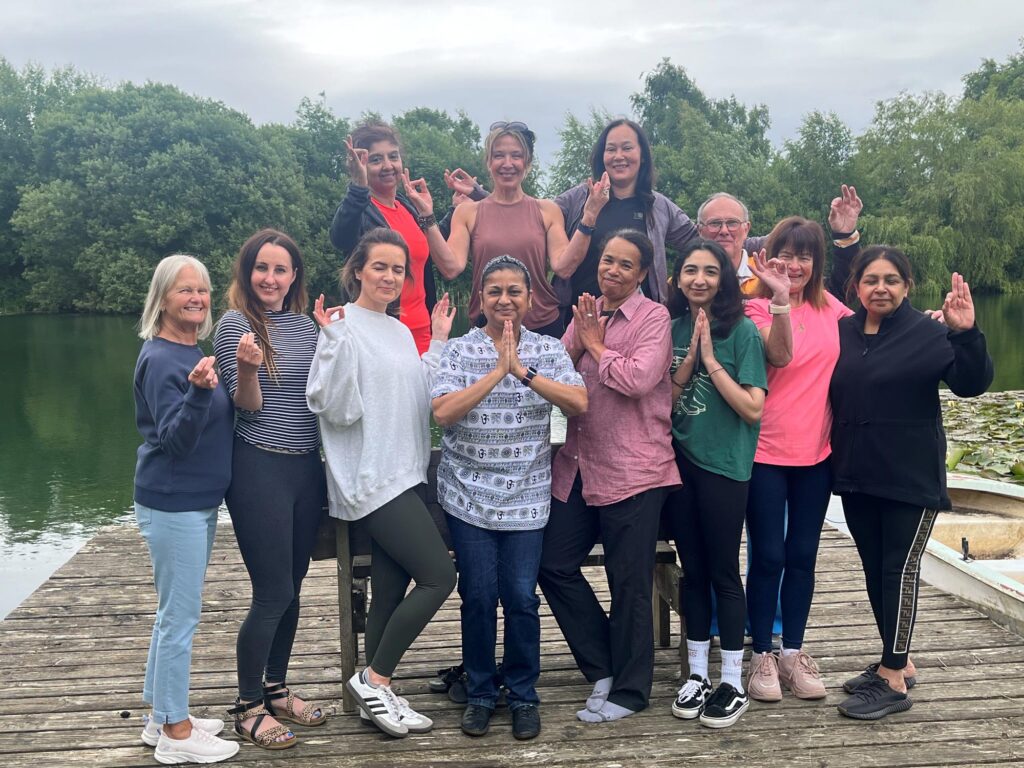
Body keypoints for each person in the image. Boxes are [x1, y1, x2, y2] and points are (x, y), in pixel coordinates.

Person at [306, 227, 458, 739]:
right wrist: (332, 343)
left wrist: (438, 340)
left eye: (398, 269)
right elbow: (332, 407)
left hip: (405, 473)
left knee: (390, 591)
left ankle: (376, 695)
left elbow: (418, 396)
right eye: (380, 267)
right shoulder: (342, 325)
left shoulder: (397, 329)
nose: (390, 277)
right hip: (372, 479)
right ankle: (373, 680)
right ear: (357, 271)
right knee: (439, 577)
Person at [830, 247, 993, 720]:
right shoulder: (843, 332)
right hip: (857, 475)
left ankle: (894, 679)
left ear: (907, 286)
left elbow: (971, 384)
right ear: (856, 287)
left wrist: (966, 333)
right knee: (874, 569)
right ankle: (895, 660)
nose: (880, 288)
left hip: (910, 476)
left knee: (898, 571)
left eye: (891, 280)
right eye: (871, 280)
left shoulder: (930, 332)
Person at [431, 255, 587, 740]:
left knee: (521, 598)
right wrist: (499, 370)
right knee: (478, 596)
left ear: (530, 298)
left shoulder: (548, 348)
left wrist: (521, 370)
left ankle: (522, 694)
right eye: (494, 291)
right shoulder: (458, 350)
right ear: (480, 299)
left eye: (514, 291)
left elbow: (579, 402)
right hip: (468, 495)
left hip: (527, 496)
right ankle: (480, 692)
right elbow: (443, 413)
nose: (504, 299)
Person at [537, 229, 680, 723]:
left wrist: (595, 346)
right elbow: (556, 371)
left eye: (625, 264)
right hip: (578, 464)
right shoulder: (587, 311)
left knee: (629, 581)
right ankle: (603, 664)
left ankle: (632, 690)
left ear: (641, 273)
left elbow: (638, 380)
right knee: (552, 563)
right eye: (607, 261)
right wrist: (579, 341)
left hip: (634, 468)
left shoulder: (653, 318)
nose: (612, 270)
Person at [213, 229, 326, 750]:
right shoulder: (235, 324)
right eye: (262, 267)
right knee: (273, 591)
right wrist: (248, 369)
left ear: (294, 276)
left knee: (294, 586)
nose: (270, 278)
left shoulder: (307, 326)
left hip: (306, 467)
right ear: (248, 270)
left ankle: (276, 688)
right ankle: (246, 706)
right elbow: (247, 405)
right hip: (258, 467)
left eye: (281, 269)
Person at [742, 217, 855, 703]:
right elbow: (779, 355)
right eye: (784, 254)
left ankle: (792, 651)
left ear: (816, 262)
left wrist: (933, 325)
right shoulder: (753, 307)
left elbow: (878, 331)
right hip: (765, 452)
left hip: (817, 454)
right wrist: (779, 297)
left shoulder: (832, 308)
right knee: (769, 554)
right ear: (767, 258)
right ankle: (761, 653)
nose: (793, 264)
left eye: (804, 256)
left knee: (803, 555)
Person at [133, 254, 238, 764]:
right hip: (173, 503)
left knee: (170, 614)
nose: (196, 298)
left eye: (202, 290)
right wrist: (198, 394)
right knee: (180, 618)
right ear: (163, 299)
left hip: (195, 502)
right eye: (184, 290)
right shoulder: (160, 358)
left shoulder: (188, 349)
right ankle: (176, 733)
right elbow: (174, 442)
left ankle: (161, 717)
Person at [665, 239, 768, 729]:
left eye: (710, 270)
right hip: (679, 465)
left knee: (724, 571)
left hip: (725, 466)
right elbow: (662, 403)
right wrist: (688, 360)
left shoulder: (741, 330)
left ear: (724, 279)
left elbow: (752, 408)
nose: (700, 279)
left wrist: (710, 359)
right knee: (694, 572)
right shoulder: (671, 328)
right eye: (691, 270)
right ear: (678, 278)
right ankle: (697, 676)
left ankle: (731, 680)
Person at [329, 120, 462, 353]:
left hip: (424, 332)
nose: (388, 166)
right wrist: (358, 187)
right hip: (381, 336)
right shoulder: (360, 210)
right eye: (376, 160)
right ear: (361, 164)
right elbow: (340, 237)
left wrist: (453, 210)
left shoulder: (406, 206)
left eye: (393, 156)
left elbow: (422, 246)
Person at [446, 121, 569, 337]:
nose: (507, 163)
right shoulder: (466, 212)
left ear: (527, 162)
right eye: (499, 155)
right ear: (489, 162)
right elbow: (451, 267)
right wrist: (427, 218)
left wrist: (589, 219)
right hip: (486, 324)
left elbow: (564, 266)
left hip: (542, 325)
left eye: (516, 155)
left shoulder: (548, 210)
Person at [696, 186, 862, 297]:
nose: (724, 231)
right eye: (714, 223)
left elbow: (839, 292)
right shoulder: (689, 279)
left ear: (746, 228)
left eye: (732, 223)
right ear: (699, 230)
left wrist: (845, 235)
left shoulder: (772, 271)